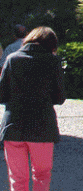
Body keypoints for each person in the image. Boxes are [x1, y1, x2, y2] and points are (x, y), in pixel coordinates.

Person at [0, 26, 65, 191]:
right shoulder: (53, 62)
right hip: (42, 127)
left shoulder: (12, 59)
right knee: (42, 175)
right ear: (51, 44)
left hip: (13, 125)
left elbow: (1, 95)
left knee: (17, 178)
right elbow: (59, 98)